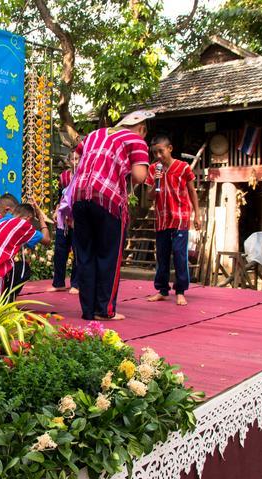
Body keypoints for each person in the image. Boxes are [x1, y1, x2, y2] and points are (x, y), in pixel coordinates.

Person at [70, 110, 152, 321]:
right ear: (142, 129)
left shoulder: (94, 134)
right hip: (107, 197)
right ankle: (104, 310)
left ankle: (88, 311)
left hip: (79, 196)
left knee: (85, 256)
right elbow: (139, 176)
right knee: (108, 255)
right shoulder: (135, 139)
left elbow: (76, 156)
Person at [145, 134, 201, 306]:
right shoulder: (153, 169)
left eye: (161, 151)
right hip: (162, 218)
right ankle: (162, 290)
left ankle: (180, 290)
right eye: (155, 153)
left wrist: (197, 215)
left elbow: (192, 191)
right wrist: (156, 181)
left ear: (170, 149)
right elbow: (149, 196)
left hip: (180, 217)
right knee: (162, 255)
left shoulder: (183, 167)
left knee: (179, 253)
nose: (158, 155)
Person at [48, 152, 80, 294]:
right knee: (60, 251)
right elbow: (60, 197)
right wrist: (56, 211)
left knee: (78, 251)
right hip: (64, 219)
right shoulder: (64, 177)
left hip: (78, 219)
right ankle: (58, 283)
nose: (75, 162)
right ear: (68, 161)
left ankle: (76, 284)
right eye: (72, 159)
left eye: (77, 159)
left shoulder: (85, 176)